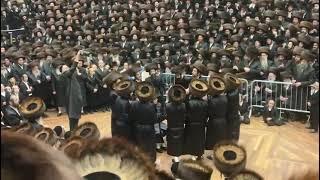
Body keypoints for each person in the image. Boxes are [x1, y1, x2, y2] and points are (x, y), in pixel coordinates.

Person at [129, 81, 157, 162]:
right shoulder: (151, 106)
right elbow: (154, 119)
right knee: (150, 146)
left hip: (138, 128)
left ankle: (141, 161)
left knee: (140, 145)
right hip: (149, 129)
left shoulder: (134, 104)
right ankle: (150, 161)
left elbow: (131, 117)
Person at [184, 79, 208, 160]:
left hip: (191, 124)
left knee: (192, 140)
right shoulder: (205, 103)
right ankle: (199, 154)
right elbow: (206, 114)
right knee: (200, 139)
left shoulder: (189, 102)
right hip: (201, 124)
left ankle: (193, 155)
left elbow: (186, 114)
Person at [62, 50, 82, 131]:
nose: (65, 68)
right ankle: (72, 133)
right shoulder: (67, 73)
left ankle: (74, 132)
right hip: (72, 98)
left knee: (75, 117)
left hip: (76, 98)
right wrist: (77, 56)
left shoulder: (71, 72)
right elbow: (72, 68)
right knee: (73, 117)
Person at [166, 85, 186, 163]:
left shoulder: (167, 106)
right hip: (180, 127)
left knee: (173, 144)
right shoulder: (183, 105)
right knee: (178, 143)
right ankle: (177, 158)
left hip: (171, 127)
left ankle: (176, 158)